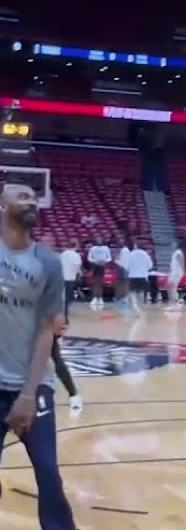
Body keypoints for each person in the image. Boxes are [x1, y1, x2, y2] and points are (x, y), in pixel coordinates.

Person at [0, 184, 77, 529]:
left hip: (32, 384)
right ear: (3, 206)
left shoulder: (47, 260)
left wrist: (28, 395)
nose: (32, 201)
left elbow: (48, 330)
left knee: (47, 471)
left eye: (34, 197)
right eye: (23, 196)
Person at [166, 237, 186, 312]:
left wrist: (182, 270)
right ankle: (178, 302)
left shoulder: (178, 252)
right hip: (175, 272)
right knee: (171, 288)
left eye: (174, 243)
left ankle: (173, 304)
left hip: (176, 272)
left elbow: (181, 262)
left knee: (171, 288)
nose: (172, 244)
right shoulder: (177, 252)